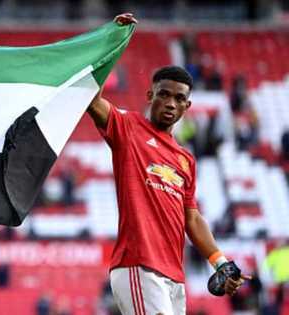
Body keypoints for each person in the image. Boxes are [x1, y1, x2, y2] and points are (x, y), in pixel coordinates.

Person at [86, 13, 250, 315]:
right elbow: (89, 97)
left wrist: (220, 262)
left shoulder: (185, 159)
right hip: (138, 265)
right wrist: (110, 42)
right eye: (163, 95)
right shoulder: (127, 128)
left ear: (187, 106)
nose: (171, 104)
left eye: (179, 98)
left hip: (174, 277)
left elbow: (193, 219)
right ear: (150, 96)